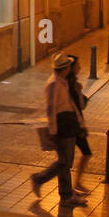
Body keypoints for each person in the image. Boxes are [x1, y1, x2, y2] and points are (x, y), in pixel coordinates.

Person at [30, 52, 88, 207]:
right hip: (62, 126)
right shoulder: (54, 84)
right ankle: (39, 179)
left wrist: (80, 123)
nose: (71, 67)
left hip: (69, 124)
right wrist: (53, 130)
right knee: (64, 161)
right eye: (69, 65)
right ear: (65, 68)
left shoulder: (62, 82)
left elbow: (71, 104)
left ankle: (66, 195)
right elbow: (51, 108)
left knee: (66, 162)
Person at [65, 55, 92, 192]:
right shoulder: (71, 86)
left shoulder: (71, 84)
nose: (80, 68)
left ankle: (75, 184)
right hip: (74, 126)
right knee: (68, 160)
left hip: (75, 124)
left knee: (79, 155)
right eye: (78, 66)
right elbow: (79, 106)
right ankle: (73, 185)